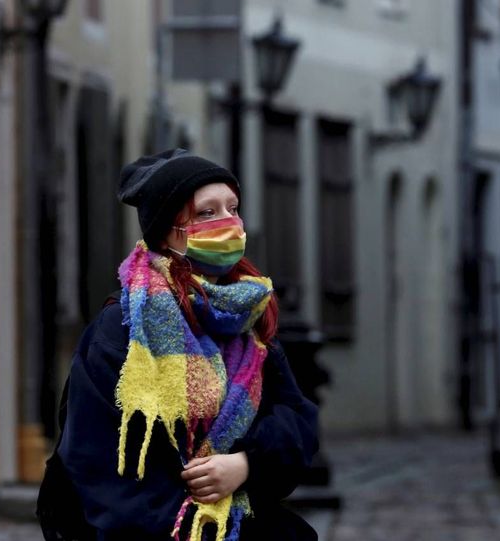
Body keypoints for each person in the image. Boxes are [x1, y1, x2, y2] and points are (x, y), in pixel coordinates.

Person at [37, 149, 320, 541]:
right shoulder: (122, 327)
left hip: (240, 522)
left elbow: (297, 419)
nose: (229, 223)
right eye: (207, 213)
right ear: (169, 231)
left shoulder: (247, 317)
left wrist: (246, 463)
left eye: (233, 208)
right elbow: (96, 460)